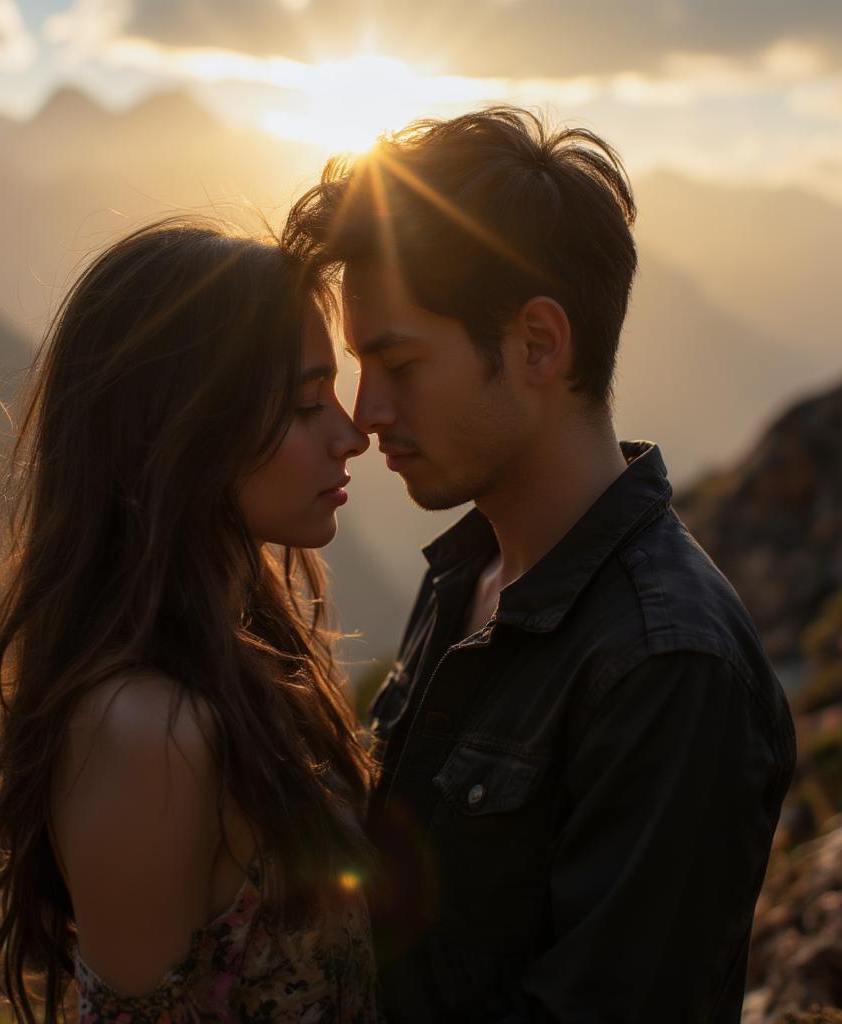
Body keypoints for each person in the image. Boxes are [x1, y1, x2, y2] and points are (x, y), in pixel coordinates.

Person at [283, 107, 797, 1022]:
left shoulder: (668, 669)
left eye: (397, 363)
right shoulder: (468, 575)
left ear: (538, 343)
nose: (366, 413)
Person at [0, 221, 381, 1024]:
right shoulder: (147, 730)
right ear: (187, 428)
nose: (352, 436)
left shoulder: (248, 655)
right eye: (310, 402)